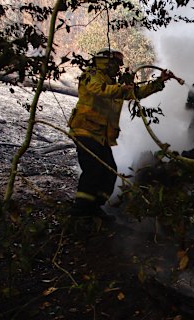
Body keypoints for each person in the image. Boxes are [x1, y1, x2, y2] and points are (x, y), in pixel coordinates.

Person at [68, 47, 174, 221]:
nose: (118, 68)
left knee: (109, 172)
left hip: (101, 135)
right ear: (105, 61)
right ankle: (80, 210)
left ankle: (95, 206)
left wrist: (159, 82)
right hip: (85, 130)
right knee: (92, 169)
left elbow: (135, 93)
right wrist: (120, 88)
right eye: (116, 63)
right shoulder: (91, 75)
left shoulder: (112, 83)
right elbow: (99, 90)